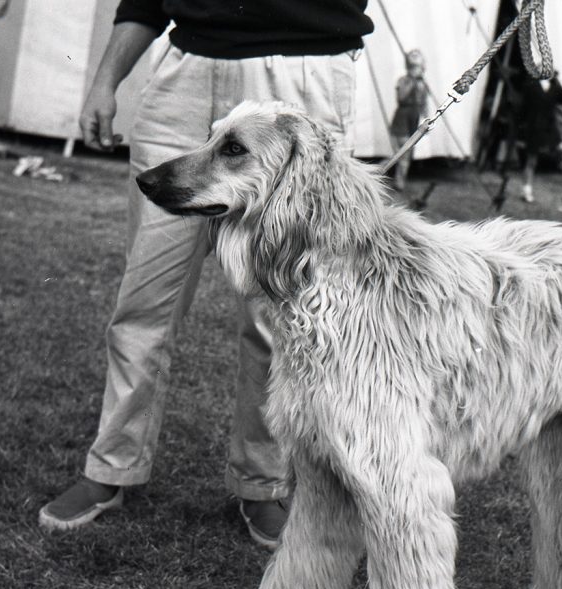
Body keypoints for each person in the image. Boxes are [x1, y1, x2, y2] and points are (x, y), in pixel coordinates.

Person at [37, 0, 374, 546]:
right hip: (187, 73)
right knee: (144, 299)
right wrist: (105, 81)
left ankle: (263, 483)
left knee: (281, 312)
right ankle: (110, 467)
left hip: (302, 74)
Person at [519, 72, 562, 203]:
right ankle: (526, 189)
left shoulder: (555, 88)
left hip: (549, 128)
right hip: (533, 128)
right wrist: (521, 128)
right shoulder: (531, 86)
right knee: (531, 160)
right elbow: (523, 108)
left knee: (557, 144)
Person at [388, 49, 430, 191]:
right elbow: (401, 97)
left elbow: (424, 104)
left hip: (413, 120)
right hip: (401, 120)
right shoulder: (403, 81)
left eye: (417, 67)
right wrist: (411, 83)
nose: (415, 70)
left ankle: (399, 182)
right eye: (412, 67)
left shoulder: (423, 84)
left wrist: (427, 121)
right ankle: (378, 174)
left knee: (406, 155)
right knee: (397, 154)